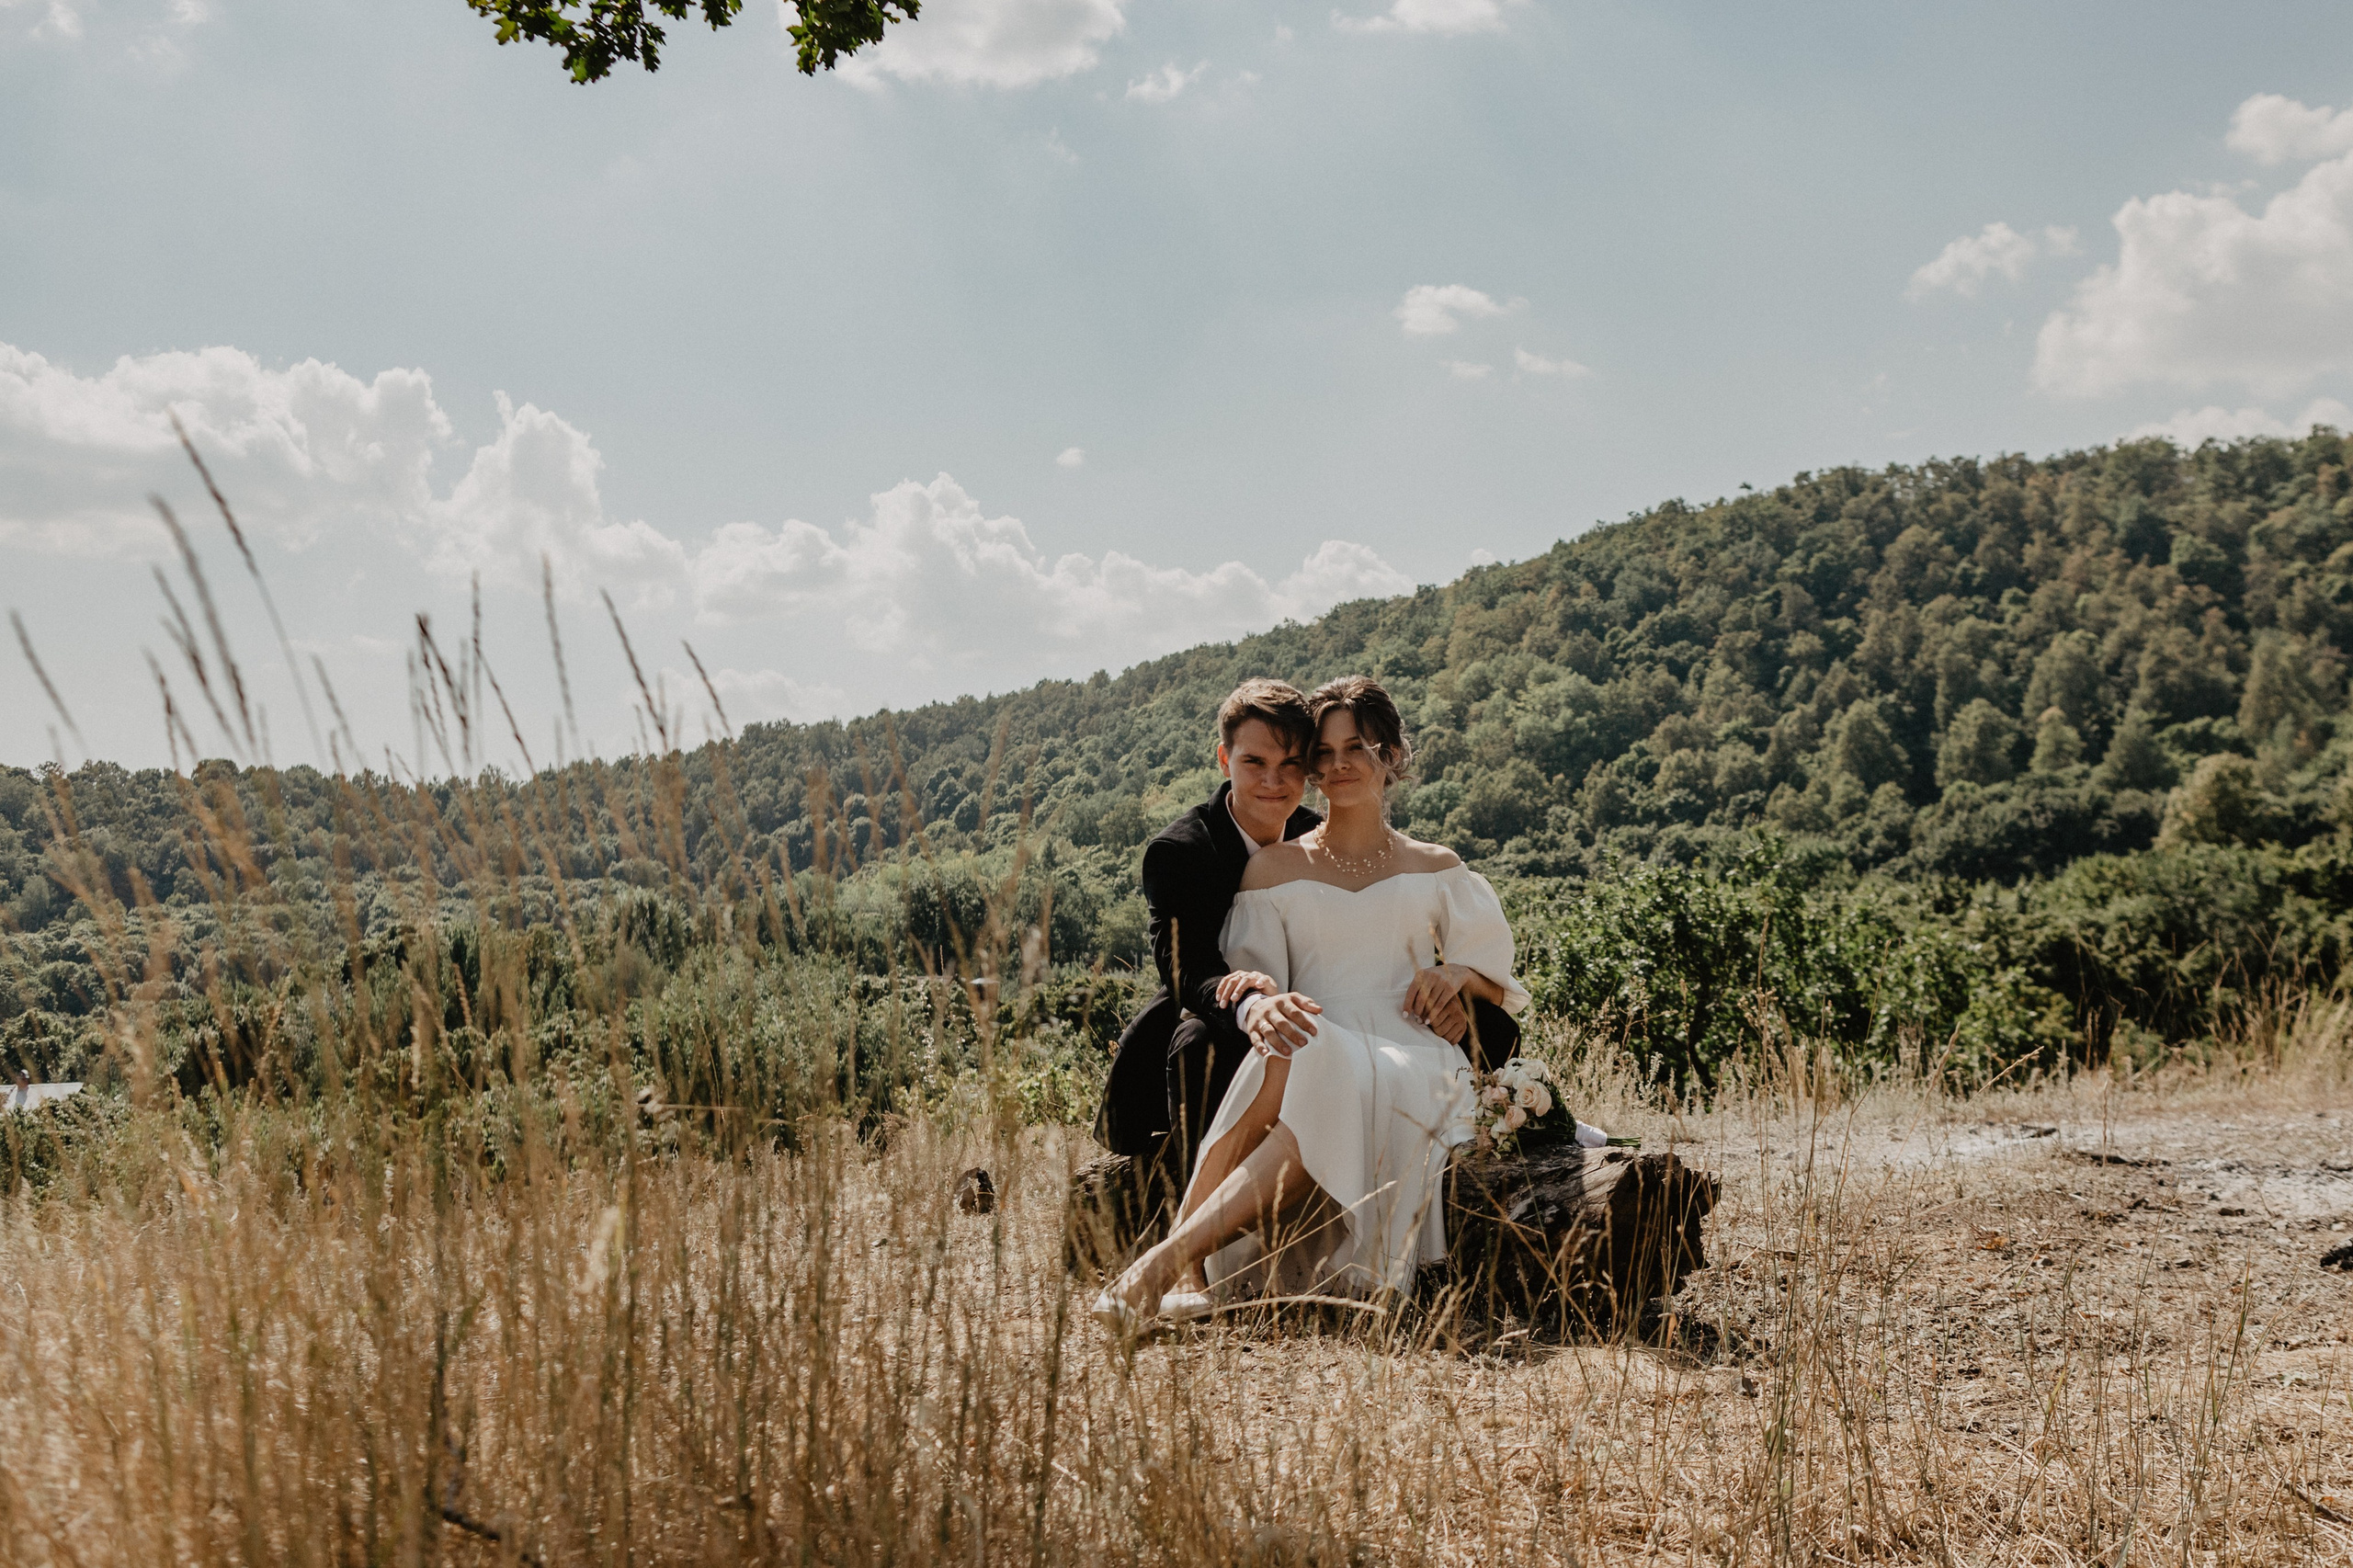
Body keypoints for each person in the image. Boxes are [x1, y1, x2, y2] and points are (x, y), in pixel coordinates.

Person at [1092, 675, 1529, 1334]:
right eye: (1324, 752)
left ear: (1392, 754)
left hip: (1415, 1049)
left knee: (1318, 1058)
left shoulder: (1438, 866)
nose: (1338, 764)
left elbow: (1497, 984)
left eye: (1358, 747)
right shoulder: (1272, 868)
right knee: (1305, 1046)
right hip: (1314, 1036)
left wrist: (1458, 972)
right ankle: (1175, 1268)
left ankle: (1162, 1264)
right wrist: (1264, 1005)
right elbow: (1254, 983)